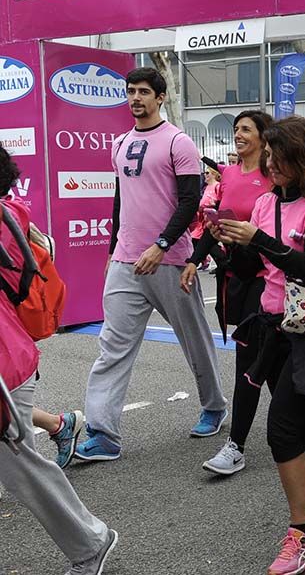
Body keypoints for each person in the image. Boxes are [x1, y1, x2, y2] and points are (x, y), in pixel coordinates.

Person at [214, 115, 305, 575]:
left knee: (282, 430)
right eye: (267, 154)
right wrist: (228, 242)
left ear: (301, 156)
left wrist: (260, 239)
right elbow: (254, 264)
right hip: (274, 328)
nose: (268, 162)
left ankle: (302, 531)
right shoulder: (264, 204)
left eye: (276, 154)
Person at [75, 68, 227, 463]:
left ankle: (214, 406)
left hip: (171, 261)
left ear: (160, 97)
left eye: (144, 91)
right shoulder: (121, 142)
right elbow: (120, 199)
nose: (135, 98)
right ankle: (104, 433)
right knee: (112, 347)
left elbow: (190, 201)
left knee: (194, 340)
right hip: (127, 261)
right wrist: (112, 249)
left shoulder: (178, 142)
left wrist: (161, 245)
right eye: (130, 91)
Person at [1, 162, 119, 575]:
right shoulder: (10, 214)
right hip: (11, 356)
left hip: (5, 364)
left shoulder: (4, 222)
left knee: (20, 467)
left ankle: (90, 542)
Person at [184, 110, 274, 476]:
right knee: (255, 361)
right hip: (238, 277)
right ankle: (240, 443)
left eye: (246, 130)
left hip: (271, 279)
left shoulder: (274, 177)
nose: (238, 135)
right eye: (236, 129)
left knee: (256, 363)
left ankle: (238, 443)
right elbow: (216, 223)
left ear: (264, 137)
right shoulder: (229, 175)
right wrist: (194, 259)